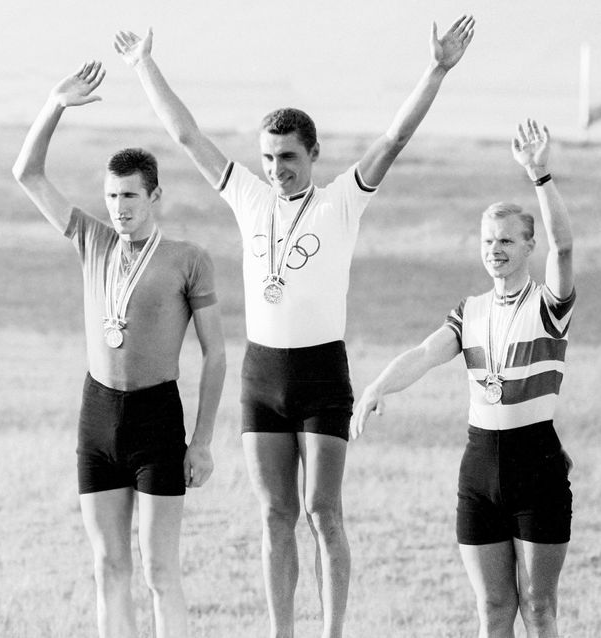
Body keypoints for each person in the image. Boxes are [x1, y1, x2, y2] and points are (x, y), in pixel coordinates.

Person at [114, 15, 474, 638]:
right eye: (268, 157)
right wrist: (145, 64)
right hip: (263, 374)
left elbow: (392, 139)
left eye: (287, 157)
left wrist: (436, 68)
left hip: (321, 373)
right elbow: (185, 135)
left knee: (321, 511)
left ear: (312, 155)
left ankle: (332, 632)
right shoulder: (248, 197)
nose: (276, 168)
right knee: (276, 514)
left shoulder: (341, 201)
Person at [12, 60, 226, 638]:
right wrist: (54, 104)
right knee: (109, 566)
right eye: (111, 196)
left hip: (158, 419)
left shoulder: (188, 258)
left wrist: (201, 441)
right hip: (98, 416)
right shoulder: (91, 239)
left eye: (130, 196)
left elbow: (217, 355)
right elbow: (27, 173)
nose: (119, 207)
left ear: (155, 195)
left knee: (159, 570)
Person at [352, 120, 574, 638]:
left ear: (527, 246)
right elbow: (426, 353)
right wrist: (377, 386)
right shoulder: (468, 312)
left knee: (539, 608)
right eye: (488, 240)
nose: (495, 248)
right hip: (478, 467)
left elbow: (564, 249)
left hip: (536, 464)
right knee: (493, 610)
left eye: (507, 241)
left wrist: (539, 176)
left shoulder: (548, 306)